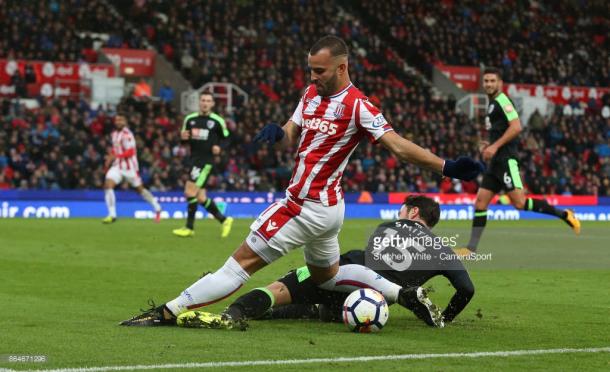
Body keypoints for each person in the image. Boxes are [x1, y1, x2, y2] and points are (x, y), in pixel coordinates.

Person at [120, 35, 483, 328]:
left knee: (238, 265)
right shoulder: (311, 94)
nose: (313, 77)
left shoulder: (359, 106)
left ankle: (167, 311)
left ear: (343, 68)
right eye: (310, 70)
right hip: (328, 211)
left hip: (303, 207)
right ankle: (402, 294)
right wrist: (278, 132)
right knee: (328, 276)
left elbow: (399, 147)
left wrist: (446, 166)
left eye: (320, 71)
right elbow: (292, 131)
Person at [177, 195, 474, 329]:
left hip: (348, 270)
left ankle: (237, 311)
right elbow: (466, 289)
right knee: (321, 310)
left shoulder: (387, 227)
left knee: (281, 288)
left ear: (411, 212)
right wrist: (446, 317)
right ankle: (396, 297)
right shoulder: (443, 250)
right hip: (376, 299)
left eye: (403, 209)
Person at [457, 67, 580, 255]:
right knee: (481, 203)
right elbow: (503, 130)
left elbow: (516, 127)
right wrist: (488, 144)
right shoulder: (491, 104)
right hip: (495, 163)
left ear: (500, 83)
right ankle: (471, 248)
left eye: (492, 81)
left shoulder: (503, 100)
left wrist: (495, 146)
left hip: (506, 161)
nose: (489, 84)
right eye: (486, 81)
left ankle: (564, 214)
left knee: (520, 203)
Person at [172, 92, 233, 238]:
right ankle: (225, 220)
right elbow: (184, 140)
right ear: (199, 102)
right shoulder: (190, 119)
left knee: (189, 192)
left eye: (208, 101)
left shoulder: (217, 121)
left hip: (205, 162)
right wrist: (182, 139)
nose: (205, 103)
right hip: (193, 159)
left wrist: (220, 147)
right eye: (203, 100)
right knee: (200, 198)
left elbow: (228, 139)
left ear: (212, 104)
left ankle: (189, 227)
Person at [102, 113, 162, 224]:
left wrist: (117, 156)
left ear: (125, 122)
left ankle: (157, 208)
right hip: (117, 166)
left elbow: (131, 151)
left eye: (121, 120)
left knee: (140, 190)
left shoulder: (127, 134)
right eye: (117, 120)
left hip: (130, 168)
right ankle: (112, 214)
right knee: (108, 185)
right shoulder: (114, 134)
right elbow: (116, 149)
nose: (118, 122)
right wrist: (109, 159)